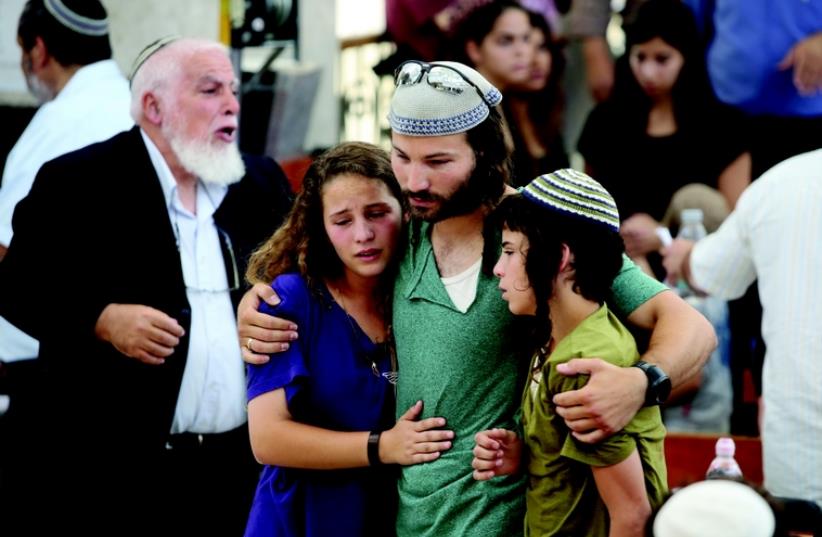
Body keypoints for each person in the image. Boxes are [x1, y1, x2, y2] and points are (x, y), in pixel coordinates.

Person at [238, 60, 715, 536]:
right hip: (410, 523)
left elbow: (691, 328)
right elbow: (316, 270)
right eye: (401, 157)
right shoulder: (398, 230)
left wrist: (640, 383)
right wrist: (254, 306)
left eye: (438, 162)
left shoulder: (540, 232)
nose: (414, 181)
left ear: (484, 153)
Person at [0, 37, 293, 534]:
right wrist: (99, 319)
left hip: (238, 472)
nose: (231, 104)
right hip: (118, 478)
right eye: (209, 90)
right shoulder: (80, 182)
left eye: (233, 90)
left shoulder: (259, 184)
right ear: (153, 106)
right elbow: (15, 284)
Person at [243, 142, 454, 536]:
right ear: (320, 227)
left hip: (391, 516)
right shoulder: (290, 300)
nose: (364, 234)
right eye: (342, 221)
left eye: (377, 213)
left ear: (405, 210)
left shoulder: (420, 291)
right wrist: (381, 446)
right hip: (301, 518)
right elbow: (267, 438)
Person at [472, 170, 667, 536]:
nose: (498, 268)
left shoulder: (584, 365)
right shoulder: (560, 338)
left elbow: (632, 516)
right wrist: (527, 453)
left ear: (560, 258)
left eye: (511, 251)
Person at [662, 148, 822, 509]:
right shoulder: (779, 183)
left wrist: (684, 254)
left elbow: (709, 273)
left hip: (802, 440)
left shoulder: (780, 183)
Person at [0, 0, 132, 431]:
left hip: (45, 367)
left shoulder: (57, 125)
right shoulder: (138, 104)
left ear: (37, 50)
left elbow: (8, 255)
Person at [578, 0, 750, 279]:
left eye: (662, 59)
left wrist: (663, 234)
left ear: (687, 56)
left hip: (698, 275)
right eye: (640, 57)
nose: (648, 72)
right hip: (617, 267)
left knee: (694, 199)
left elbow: (737, 223)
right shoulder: (605, 122)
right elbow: (589, 206)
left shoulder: (723, 126)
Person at [452, 2, 568, 185]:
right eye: (506, 41)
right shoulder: (463, 109)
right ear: (474, 50)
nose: (522, 51)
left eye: (526, 39)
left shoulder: (502, 103)